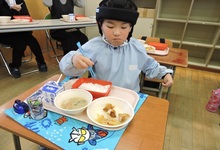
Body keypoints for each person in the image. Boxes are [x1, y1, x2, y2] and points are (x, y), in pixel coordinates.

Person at [59, 0, 174, 92]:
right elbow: (67, 68)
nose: (117, 33)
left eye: (123, 27)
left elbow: (150, 65)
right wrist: (74, 60)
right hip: (101, 94)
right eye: (110, 26)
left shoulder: (136, 47)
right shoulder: (94, 46)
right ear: (100, 25)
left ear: (131, 28)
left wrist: (164, 73)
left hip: (130, 97)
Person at [0, 0, 48, 78]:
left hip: (21, 32)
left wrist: (19, 11)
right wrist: (9, 6)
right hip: (5, 34)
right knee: (20, 42)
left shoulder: (19, 1)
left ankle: (41, 62)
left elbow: (27, 17)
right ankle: (15, 65)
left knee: (32, 40)